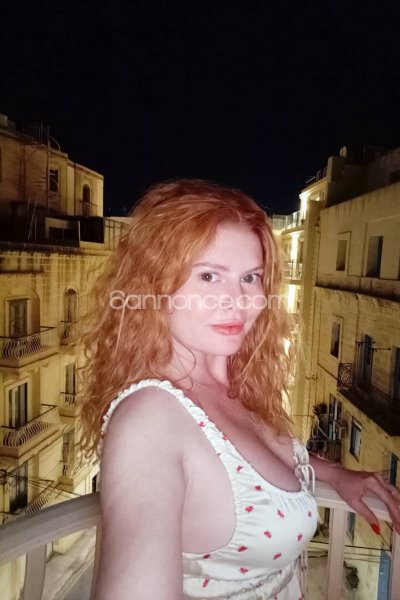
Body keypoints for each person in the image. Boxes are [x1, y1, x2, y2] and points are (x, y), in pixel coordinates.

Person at [79, 179, 400, 600]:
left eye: (250, 277)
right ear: (154, 285)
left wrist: (337, 474)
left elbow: (253, 463)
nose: (237, 300)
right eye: (209, 275)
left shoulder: (236, 379)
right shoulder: (150, 422)